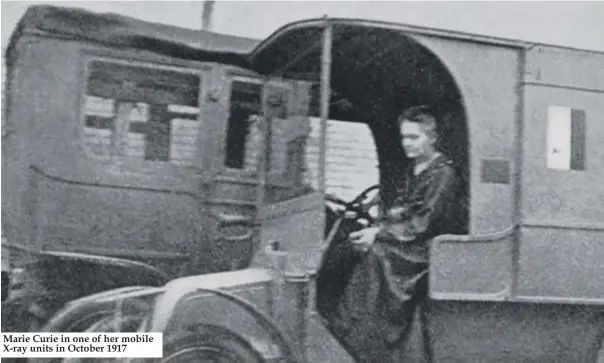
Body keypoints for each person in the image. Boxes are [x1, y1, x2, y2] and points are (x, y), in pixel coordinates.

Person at [316, 105, 466, 363]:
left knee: (375, 254)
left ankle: (367, 338)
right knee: (347, 245)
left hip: (424, 250)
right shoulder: (417, 169)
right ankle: (338, 323)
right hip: (407, 240)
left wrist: (380, 233)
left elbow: (422, 223)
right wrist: (379, 224)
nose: (406, 144)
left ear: (432, 137)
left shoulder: (444, 174)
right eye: (404, 137)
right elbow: (404, 211)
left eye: (414, 137)